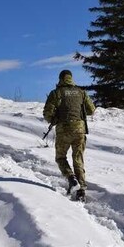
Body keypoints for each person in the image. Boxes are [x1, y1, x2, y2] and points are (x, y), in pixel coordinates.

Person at [43, 69, 95, 201]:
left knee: (60, 157)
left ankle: (71, 179)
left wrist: (54, 119)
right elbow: (91, 110)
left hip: (64, 130)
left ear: (60, 79)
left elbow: (47, 114)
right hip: (80, 130)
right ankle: (81, 191)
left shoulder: (56, 93)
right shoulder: (81, 92)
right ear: (71, 78)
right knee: (78, 158)